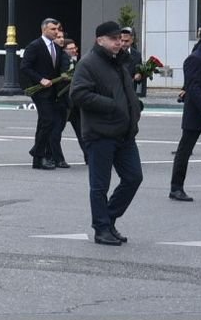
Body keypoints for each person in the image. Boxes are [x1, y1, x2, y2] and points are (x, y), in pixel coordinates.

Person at [69, 21, 144, 246]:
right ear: (100, 40)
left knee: (133, 178)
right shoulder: (89, 63)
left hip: (124, 133)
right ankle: (101, 229)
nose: (118, 43)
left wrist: (135, 105)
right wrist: (112, 105)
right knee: (100, 185)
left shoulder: (119, 62)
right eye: (113, 39)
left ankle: (108, 219)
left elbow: (125, 90)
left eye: (120, 39)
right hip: (100, 133)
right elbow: (78, 94)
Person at [19, 17, 70, 170]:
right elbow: (25, 67)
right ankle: (39, 154)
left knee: (45, 123)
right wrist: (40, 79)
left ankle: (38, 157)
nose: (56, 32)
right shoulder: (35, 46)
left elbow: (59, 67)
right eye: (53, 29)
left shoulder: (56, 48)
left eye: (57, 29)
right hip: (40, 91)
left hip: (53, 92)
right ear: (44, 30)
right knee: (47, 121)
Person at [169, 22, 201, 202]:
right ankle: (176, 188)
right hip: (198, 113)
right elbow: (193, 87)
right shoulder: (195, 58)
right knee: (184, 151)